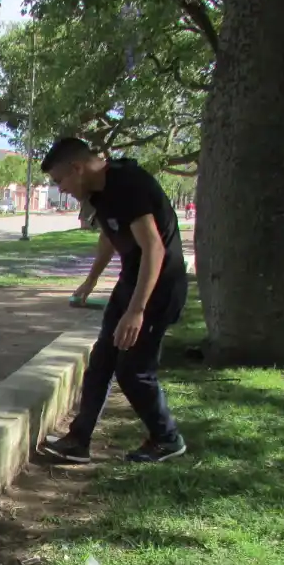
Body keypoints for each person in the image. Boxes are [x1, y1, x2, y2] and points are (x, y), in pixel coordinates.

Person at [38, 137, 188, 465]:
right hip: (131, 284)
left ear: (77, 168)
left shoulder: (129, 185)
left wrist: (136, 310)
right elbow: (109, 236)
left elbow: (154, 248)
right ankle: (78, 440)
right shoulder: (100, 192)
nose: (60, 188)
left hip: (159, 288)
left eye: (59, 180)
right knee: (102, 361)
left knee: (134, 370)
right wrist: (91, 280)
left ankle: (167, 438)